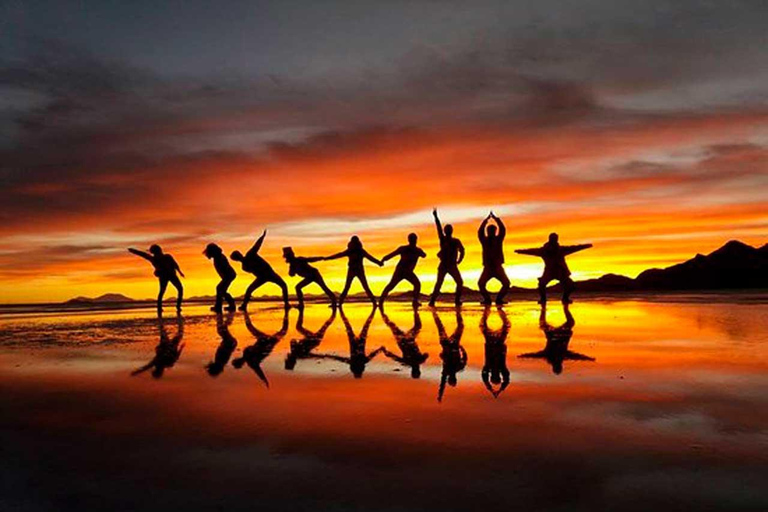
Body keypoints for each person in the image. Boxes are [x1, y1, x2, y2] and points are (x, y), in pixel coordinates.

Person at [518, 303, 594, 375]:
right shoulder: (561, 356)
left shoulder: (552, 356)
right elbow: (577, 357)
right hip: (561, 333)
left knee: (543, 324)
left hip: (555, 334)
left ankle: (545, 308)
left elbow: (535, 356)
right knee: (569, 322)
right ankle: (564, 308)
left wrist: (524, 356)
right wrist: (588, 358)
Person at [515, 233, 592, 304]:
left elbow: (574, 248)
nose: (555, 240)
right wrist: (520, 251)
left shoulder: (561, 249)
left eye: (555, 238)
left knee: (571, 286)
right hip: (549, 272)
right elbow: (532, 251)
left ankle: (565, 298)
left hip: (560, 271)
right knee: (541, 284)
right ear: (550, 239)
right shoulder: (544, 250)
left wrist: (586, 246)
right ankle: (543, 299)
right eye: (553, 239)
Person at [309, 307, 383, 378]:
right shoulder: (356, 362)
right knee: (350, 326)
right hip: (355, 343)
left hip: (359, 342)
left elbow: (372, 355)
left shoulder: (362, 361)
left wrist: (380, 350)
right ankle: (341, 310)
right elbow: (341, 359)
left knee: (363, 326)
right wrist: (330, 356)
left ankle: (342, 310)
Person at [231, 230, 289, 311]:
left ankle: (286, 304)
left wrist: (262, 237)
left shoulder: (249, 256)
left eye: (238, 256)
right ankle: (244, 305)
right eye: (237, 257)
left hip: (268, 274)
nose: (239, 257)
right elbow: (257, 246)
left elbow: (257, 245)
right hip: (263, 276)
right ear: (237, 259)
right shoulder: (245, 265)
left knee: (283, 285)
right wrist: (262, 237)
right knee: (249, 289)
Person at [232, 309, 289, 388]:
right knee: (283, 331)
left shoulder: (246, 355)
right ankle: (286, 313)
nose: (239, 359)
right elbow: (258, 372)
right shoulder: (251, 362)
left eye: (238, 360)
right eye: (239, 361)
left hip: (263, 340)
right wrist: (264, 380)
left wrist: (264, 380)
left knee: (251, 327)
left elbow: (258, 371)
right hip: (268, 343)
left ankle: (245, 312)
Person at [322, 236, 382, 306]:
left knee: (352, 287)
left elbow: (339, 255)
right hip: (355, 270)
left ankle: (374, 303)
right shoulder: (356, 251)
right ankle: (374, 303)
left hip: (356, 270)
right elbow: (339, 255)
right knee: (359, 287)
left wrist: (378, 263)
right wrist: (378, 263)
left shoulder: (354, 251)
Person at [128, 244, 184, 315]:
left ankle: (172, 307)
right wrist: (134, 251)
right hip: (167, 276)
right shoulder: (157, 258)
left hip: (169, 275)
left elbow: (175, 264)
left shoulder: (165, 257)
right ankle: (169, 307)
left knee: (166, 291)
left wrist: (180, 272)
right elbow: (143, 254)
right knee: (166, 291)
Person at [379, 233, 427, 308]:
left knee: (417, 284)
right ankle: (381, 301)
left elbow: (424, 255)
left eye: (414, 239)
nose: (414, 241)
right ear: (410, 240)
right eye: (413, 239)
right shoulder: (407, 249)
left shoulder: (415, 250)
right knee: (391, 285)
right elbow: (392, 254)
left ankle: (415, 301)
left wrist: (384, 259)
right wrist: (383, 259)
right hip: (401, 271)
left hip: (407, 272)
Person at [429, 208, 465, 307]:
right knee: (439, 283)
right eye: (447, 230)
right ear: (446, 231)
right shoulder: (443, 239)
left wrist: (459, 260)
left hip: (452, 265)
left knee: (459, 282)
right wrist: (436, 217)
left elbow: (462, 250)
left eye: (449, 230)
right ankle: (432, 301)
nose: (447, 231)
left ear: (451, 231)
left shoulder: (456, 241)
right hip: (444, 265)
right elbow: (438, 228)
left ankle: (457, 300)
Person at [381, 308, 428, 379]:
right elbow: (394, 357)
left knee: (417, 326)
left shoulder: (419, 360)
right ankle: (382, 312)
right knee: (393, 326)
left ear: (418, 370)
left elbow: (426, 354)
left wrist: (423, 357)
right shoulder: (408, 362)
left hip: (408, 340)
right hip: (403, 341)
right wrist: (385, 352)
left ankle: (415, 310)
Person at [477, 212, 511, 305]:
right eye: (490, 230)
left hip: (497, 266)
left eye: (493, 230)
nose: (491, 232)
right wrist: (485, 221)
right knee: (481, 284)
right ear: (488, 232)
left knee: (506, 283)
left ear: (495, 231)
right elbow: (480, 232)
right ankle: (487, 299)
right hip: (488, 267)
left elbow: (503, 229)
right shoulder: (484, 240)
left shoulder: (498, 239)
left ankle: (498, 299)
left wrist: (496, 219)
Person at [434, 308, 466, 402]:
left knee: (442, 328)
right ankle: (457, 312)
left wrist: (440, 395)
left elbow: (442, 384)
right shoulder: (457, 368)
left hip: (448, 346)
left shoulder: (454, 369)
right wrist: (462, 349)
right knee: (458, 327)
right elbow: (465, 358)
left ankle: (456, 312)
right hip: (452, 345)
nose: (451, 377)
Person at [481, 306, 511, 398]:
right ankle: (498, 310)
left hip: (491, 344)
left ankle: (488, 310)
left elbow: (484, 379)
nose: (495, 375)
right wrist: (499, 389)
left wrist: (491, 389)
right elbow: (506, 380)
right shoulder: (501, 368)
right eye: (497, 377)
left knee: (484, 325)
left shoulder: (488, 368)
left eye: (494, 377)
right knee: (506, 326)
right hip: (498, 344)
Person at [203, 243, 236, 313]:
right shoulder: (217, 257)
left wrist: (225, 277)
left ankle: (220, 306)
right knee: (221, 290)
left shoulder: (219, 257)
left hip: (229, 275)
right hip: (228, 276)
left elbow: (225, 267)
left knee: (220, 289)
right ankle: (225, 305)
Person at [205, 312, 237, 377]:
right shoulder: (220, 361)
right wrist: (224, 345)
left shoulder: (220, 362)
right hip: (229, 343)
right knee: (221, 329)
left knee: (221, 329)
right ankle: (224, 314)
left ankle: (221, 315)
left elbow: (225, 351)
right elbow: (226, 352)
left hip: (229, 343)